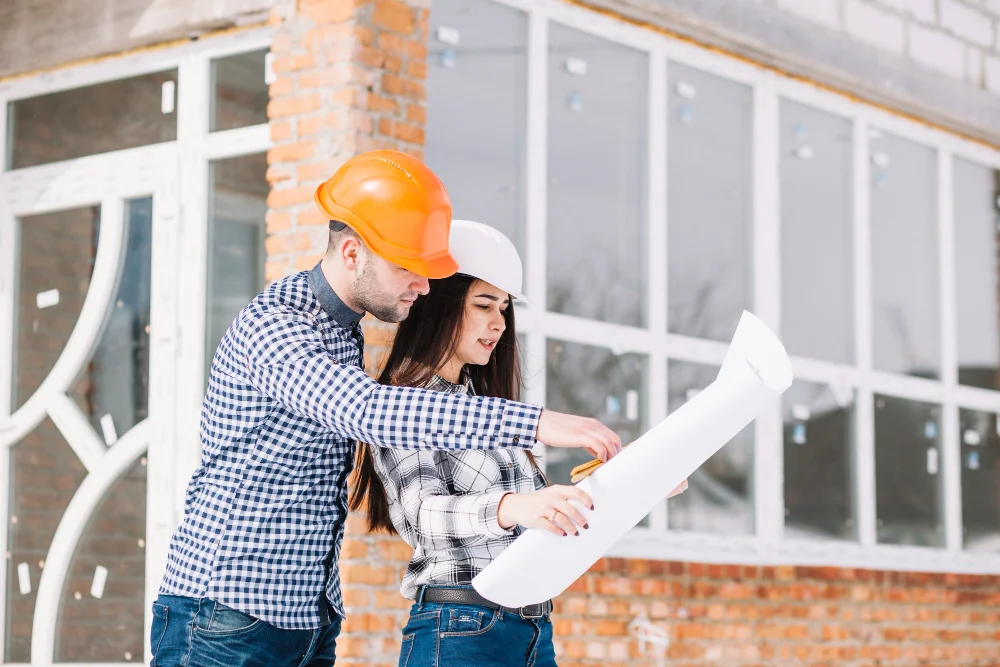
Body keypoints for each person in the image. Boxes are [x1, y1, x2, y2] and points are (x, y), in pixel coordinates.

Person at [149, 152, 622, 667]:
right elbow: (369, 410)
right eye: (407, 269)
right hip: (226, 612)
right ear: (352, 253)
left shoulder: (343, 335)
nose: (422, 287)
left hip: (306, 619)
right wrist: (536, 422)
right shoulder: (277, 327)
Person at [351, 220, 687, 667]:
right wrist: (513, 507)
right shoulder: (402, 401)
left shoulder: (489, 411)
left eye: (504, 309)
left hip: (531, 631)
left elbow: (548, 520)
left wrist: (637, 484)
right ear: (440, 305)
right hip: (460, 630)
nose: (499, 323)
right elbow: (420, 514)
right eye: (484, 305)